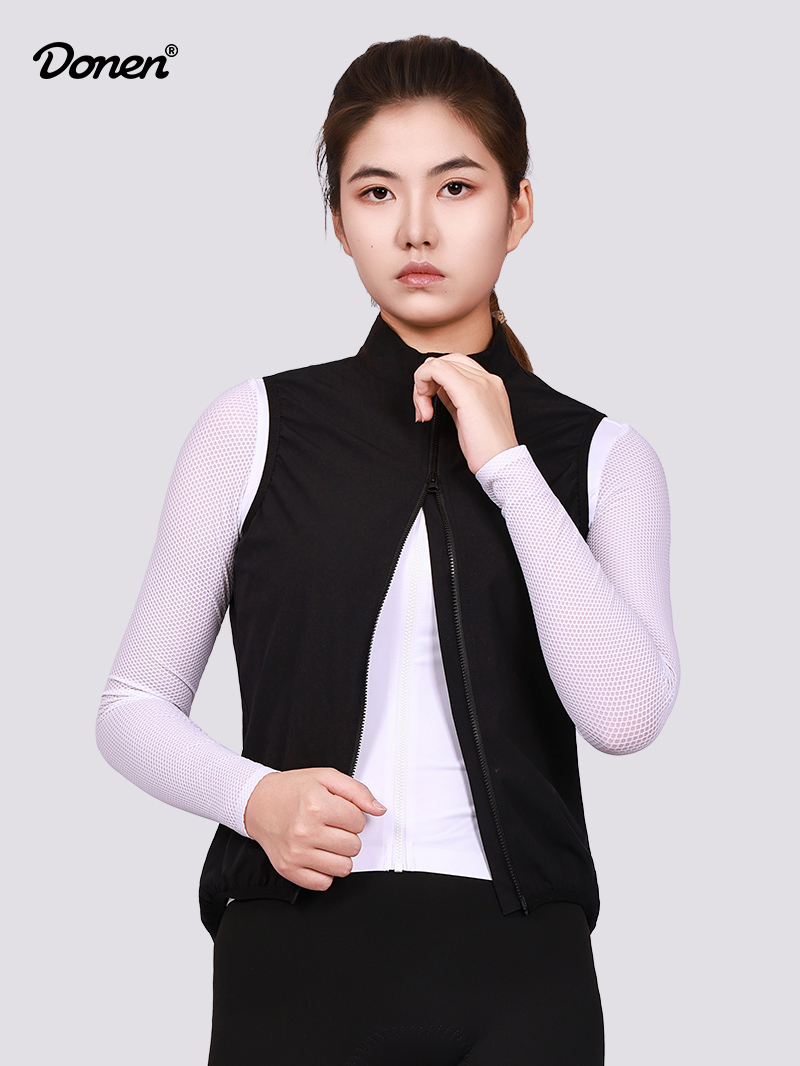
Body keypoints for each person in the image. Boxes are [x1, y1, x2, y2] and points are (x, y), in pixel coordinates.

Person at [96, 34, 680, 1065]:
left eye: (456, 186)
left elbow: (625, 715)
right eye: (375, 192)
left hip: (523, 976)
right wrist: (254, 797)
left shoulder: (601, 455)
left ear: (518, 210)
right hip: (294, 960)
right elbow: (131, 704)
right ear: (338, 221)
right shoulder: (255, 427)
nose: (415, 227)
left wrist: (506, 464)